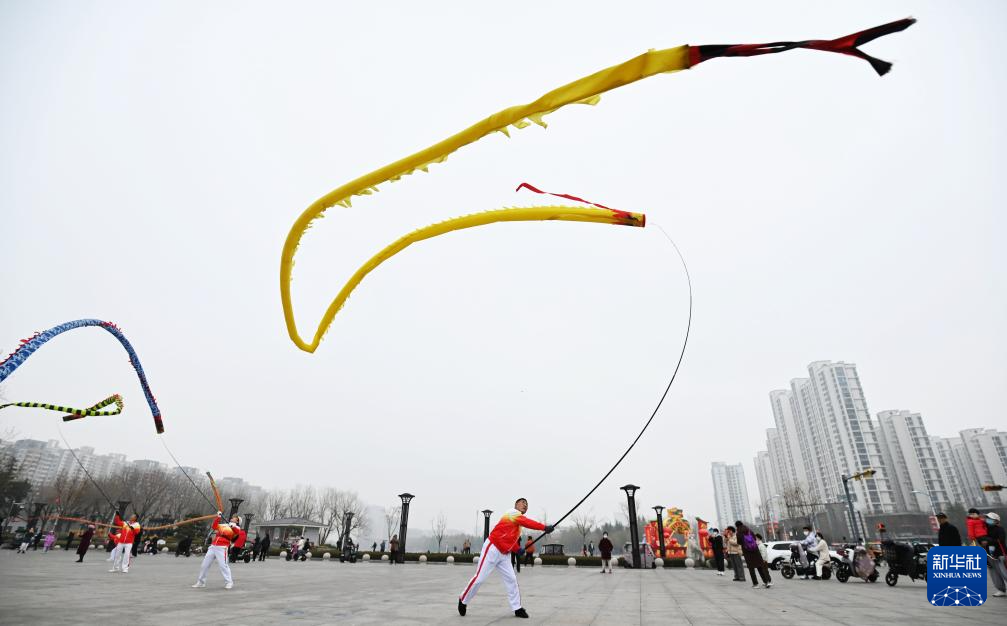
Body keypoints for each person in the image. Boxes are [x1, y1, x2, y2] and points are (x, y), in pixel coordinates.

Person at [458, 498, 554, 619]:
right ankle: (463, 599)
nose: (525, 505)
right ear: (516, 505)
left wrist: (517, 549)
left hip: (504, 554)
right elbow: (527, 522)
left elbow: (510, 540)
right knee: (479, 578)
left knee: (512, 580)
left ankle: (517, 608)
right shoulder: (512, 513)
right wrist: (544, 527)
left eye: (527, 504)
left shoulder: (517, 525)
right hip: (492, 548)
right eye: (523, 503)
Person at [192, 512, 239, 589]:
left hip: (222, 547)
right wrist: (218, 517)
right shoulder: (224, 525)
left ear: (237, 521)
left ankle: (229, 582)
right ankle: (201, 582)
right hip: (213, 546)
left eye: (235, 517)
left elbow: (237, 532)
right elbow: (214, 526)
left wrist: (233, 526)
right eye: (233, 517)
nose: (232, 517)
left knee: (223, 566)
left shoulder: (237, 527)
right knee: (204, 565)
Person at [978, 512, 1006, 597]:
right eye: (987, 518)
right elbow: (980, 539)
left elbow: (1001, 540)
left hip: (999, 554)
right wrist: (982, 541)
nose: (987, 520)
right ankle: (1001, 589)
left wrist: (988, 541)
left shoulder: (999, 529)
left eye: (990, 518)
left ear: (996, 520)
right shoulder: (984, 529)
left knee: (1004, 572)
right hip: (989, 554)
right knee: (994, 573)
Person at [737, 522, 772, 588]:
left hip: (747, 553)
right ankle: (766, 582)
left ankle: (755, 584)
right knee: (760, 567)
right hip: (755, 551)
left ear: (737, 526)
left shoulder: (738, 533)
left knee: (751, 569)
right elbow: (755, 539)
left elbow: (739, 542)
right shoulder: (749, 531)